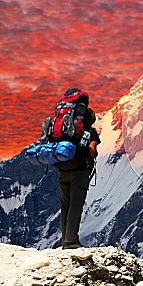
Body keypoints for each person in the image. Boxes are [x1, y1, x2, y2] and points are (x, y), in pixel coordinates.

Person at [57, 107, 101, 249]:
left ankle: (65, 241)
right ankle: (71, 242)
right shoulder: (90, 132)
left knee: (65, 207)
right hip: (80, 173)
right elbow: (92, 151)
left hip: (63, 171)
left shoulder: (67, 133)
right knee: (75, 206)